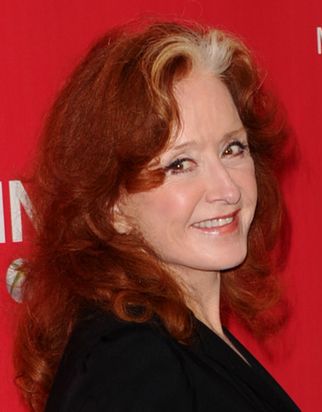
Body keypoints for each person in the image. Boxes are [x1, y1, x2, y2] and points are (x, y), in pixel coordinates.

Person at [14, 20, 299, 411]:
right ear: (113, 205)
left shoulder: (189, 340)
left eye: (232, 148)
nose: (227, 190)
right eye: (180, 164)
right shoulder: (130, 360)